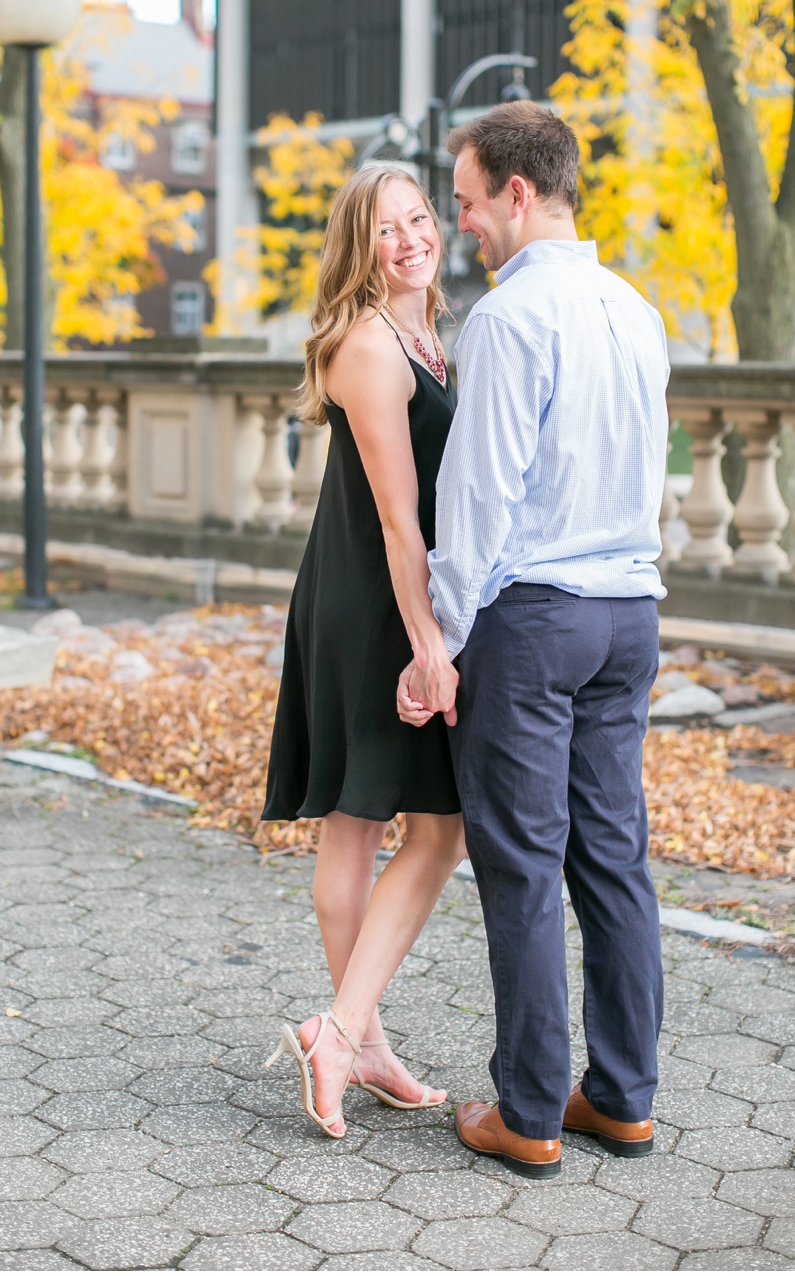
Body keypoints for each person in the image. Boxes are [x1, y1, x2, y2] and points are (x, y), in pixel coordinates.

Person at [397, 101, 670, 1179]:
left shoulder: (506, 320)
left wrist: (438, 643)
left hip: (533, 619)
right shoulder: (635, 310)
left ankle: (526, 1113)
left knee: (517, 867)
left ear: (516, 191)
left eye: (464, 204)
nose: (460, 225)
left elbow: (479, 501)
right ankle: (621, 1096)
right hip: (626, 615)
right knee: (613, 858)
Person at [259, 161, 467, 1139]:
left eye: (418, 217)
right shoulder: (370, 344)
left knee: (408, 825)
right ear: (358, 246)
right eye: (385, 228)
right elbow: (395, 518)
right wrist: (426, 643)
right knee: (387, 822)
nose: (409, 238)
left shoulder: (427, 335)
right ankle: (351, 1032)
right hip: (371, 602)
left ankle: (354, 1035)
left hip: (387, 593)